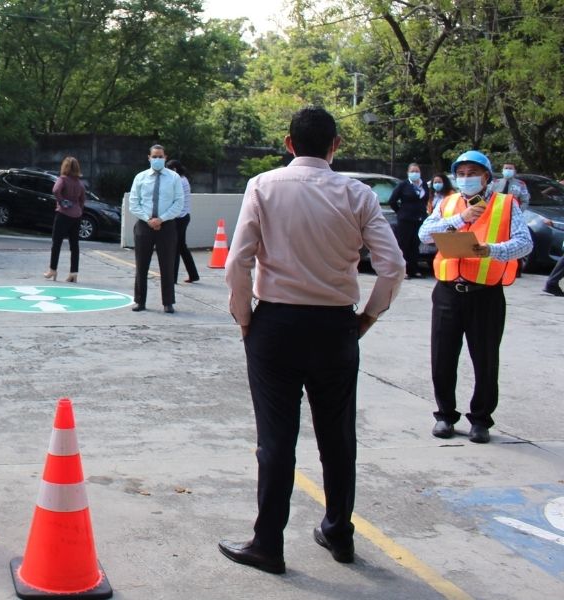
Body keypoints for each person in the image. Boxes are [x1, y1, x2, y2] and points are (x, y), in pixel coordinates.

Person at [219, 106, 404, 575]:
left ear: (288, 143)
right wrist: (368, 317)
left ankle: (267, 544)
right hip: (335, 328)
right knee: (338, 436)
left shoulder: (262, 186)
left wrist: (245, 318)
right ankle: (339, 532)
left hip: (276, 325)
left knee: (276, 440)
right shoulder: (358, 194)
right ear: (335, 145)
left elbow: (238, 261)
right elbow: (393, 266)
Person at [418, 150, 532, 443]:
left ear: (486, 178)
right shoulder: (449, 203)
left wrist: (493, 250)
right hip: (447, 292)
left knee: (485, 359)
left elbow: (524, 243)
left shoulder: (507, 205)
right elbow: (424, 234)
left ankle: (480, 420)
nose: (466, 179)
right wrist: (459, 219)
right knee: (442, 357)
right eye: (462, 174)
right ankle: (445, 416)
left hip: (485, 294)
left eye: (473, 174)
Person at [128, 145, 184, 313]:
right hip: (144, 225)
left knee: (167, 264)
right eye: (154, 156)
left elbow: (179, 203)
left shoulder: (174, 178)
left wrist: (162, 218)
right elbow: (133, 202)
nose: (157, 159)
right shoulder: (140, 177)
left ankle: (168, 302)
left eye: (160, 156)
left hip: (166, 225)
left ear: (165, 157)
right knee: (141, 265)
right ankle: (140, 301)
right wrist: (149, 219)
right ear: (149, 158)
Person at [45, 156, 84, 282]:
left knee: (56, 243)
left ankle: (53, 269)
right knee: (74, 245)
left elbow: (55, 190)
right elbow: (83, 200)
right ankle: (73, 273)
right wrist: (78, 209)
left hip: (63, 214)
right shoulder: (79, 183)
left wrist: (62, 201)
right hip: (76, 215)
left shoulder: (63, 179)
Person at [389, 163, 431, 278]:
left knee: (415, 245)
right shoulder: (403, 185)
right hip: (405, 220)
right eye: (412, 171)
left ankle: (414, 268)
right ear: (408, 173)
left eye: (417, 171)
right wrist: (401, 212)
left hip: (419, 219)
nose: (415, 173)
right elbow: (392, 201)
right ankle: (404, 269)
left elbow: (425, 200)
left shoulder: (424, 185)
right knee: (404, 244)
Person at [168, 158, 200, 284]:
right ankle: (193, 274)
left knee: (175, 247)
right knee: (181, 247)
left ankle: (172, 278)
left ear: (174, 169)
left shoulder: (179, 181)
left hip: (179, 218)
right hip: (183, 217)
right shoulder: (183, 179)